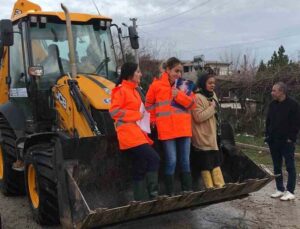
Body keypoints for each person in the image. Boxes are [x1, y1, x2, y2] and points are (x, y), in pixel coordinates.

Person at [109, 62, 160, 201]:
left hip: (137, 132)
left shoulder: (135, 91)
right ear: (130, 74)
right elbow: (114, 111)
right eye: (138, 72)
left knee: (141, 164)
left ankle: (140, 199)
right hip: (128, 134)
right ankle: (153, 196)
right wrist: (137, 116)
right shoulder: (120, 90)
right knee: (154, 158)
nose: (141, 74)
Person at [145, 57, 195, 196]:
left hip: (184, 129)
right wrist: (153, 119)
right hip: (166, 130)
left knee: (185, 161)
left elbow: (192, 104)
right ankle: (170, 193)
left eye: (181, 71)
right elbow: (149, 104)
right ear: (167, 70)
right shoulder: (156, 86)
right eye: (176, 71)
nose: (179, 74)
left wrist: (178, 95)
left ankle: (187, 190)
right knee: (171, 161)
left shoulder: (184, 85)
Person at [265, 82, 300, 201]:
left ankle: (290, 191)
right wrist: (267, 136)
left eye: (274, 90)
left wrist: (291, 138)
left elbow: (296, 123)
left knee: (290, 166)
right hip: (273, 140)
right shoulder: (272, 105)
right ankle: (280, 189)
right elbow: (268, 121)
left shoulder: (293, 105)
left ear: (282, 92)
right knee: (276, 166)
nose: (272, 92)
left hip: (287, 141)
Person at [191, 72, 225, 189]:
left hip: (212, 134)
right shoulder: (196, 97)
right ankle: (209, 187)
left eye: (214, 83)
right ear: (203, 83)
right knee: (205, 163)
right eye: (210, 83)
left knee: (215, 161)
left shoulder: (212, 95)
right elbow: (198, 117)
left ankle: (220, 186)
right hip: (202, 136)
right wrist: (212, 108)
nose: (212, 85)